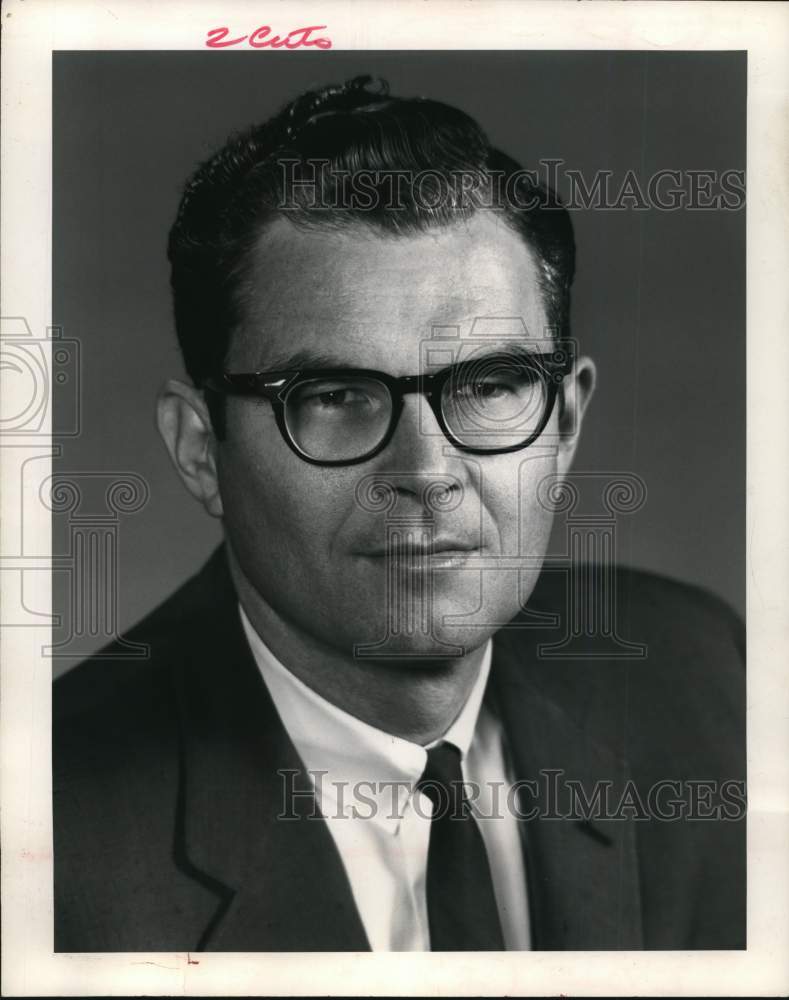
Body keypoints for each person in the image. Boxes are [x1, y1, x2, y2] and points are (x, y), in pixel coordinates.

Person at [53, 76, 745, 952]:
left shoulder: (703, 680)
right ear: (200, 450)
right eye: (334, 394)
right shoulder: (49, 844)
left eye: (490, 386)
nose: (425, 473)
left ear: (564, 423)